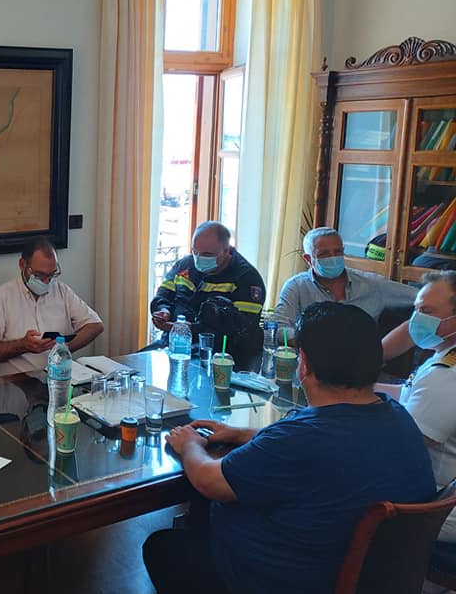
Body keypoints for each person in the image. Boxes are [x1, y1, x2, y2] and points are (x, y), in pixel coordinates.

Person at [141, 302, 435, 594]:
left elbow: (209, 481)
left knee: (165, 548)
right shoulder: (397, 416)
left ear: (303, 363)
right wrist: (244, 434)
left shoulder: (301, 439)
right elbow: (313, 445)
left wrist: (189, 445)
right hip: (375, 593)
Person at [0, 236, 103, 376]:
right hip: (16, 382)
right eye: (39, 275)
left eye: (52, 275)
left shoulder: (62, 291)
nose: (47, 281)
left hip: (58, 378)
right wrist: (22, 345)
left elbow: (95, 325)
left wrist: (64, 348)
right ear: (22, 265)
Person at [149, 221, 265, 366]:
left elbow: (239, 327)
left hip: (222, 357)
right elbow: (164, 294)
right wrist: (163, 310)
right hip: (174, 345)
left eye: (207, 255)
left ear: (226, 251)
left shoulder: (247, 278)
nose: (198, 258)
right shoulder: (184, 266)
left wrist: (189, 328)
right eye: (195, 252)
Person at [274, 227, 417, 334]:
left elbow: (421, 297)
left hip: (362, 361)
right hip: (312, 360)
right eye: (324, 254)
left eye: (338, 252)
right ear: (308, 259)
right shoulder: (297, 286)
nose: (333, 258)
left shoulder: (372, 284)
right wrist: (305, 340)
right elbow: (278, 326)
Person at [400, 271, 456, 542]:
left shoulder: (447, 374)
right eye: (416, 309)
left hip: (440, 505)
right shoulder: (443, 355)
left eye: (427, 311)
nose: (416, 319)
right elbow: (411, 393)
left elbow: (404, 443)